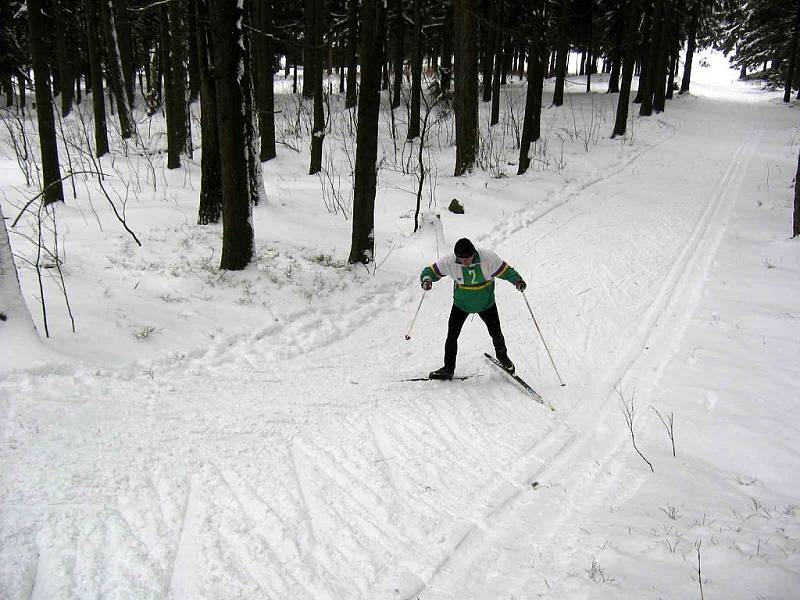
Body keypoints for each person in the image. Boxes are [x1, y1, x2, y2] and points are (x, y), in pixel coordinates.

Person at [420, 238, 526, 380]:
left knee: (496, 333)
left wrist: (517, 281)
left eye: (467, 258)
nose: (464, 262)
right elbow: (430, 271)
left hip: (486, 304)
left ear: (473, 253)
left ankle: (503, 358)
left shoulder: (488, 258)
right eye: (461, 258)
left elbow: (507, 271)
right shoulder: (450, 261)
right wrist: (427, 279)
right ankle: (448, 368)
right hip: (461, 305)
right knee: (452, 336)